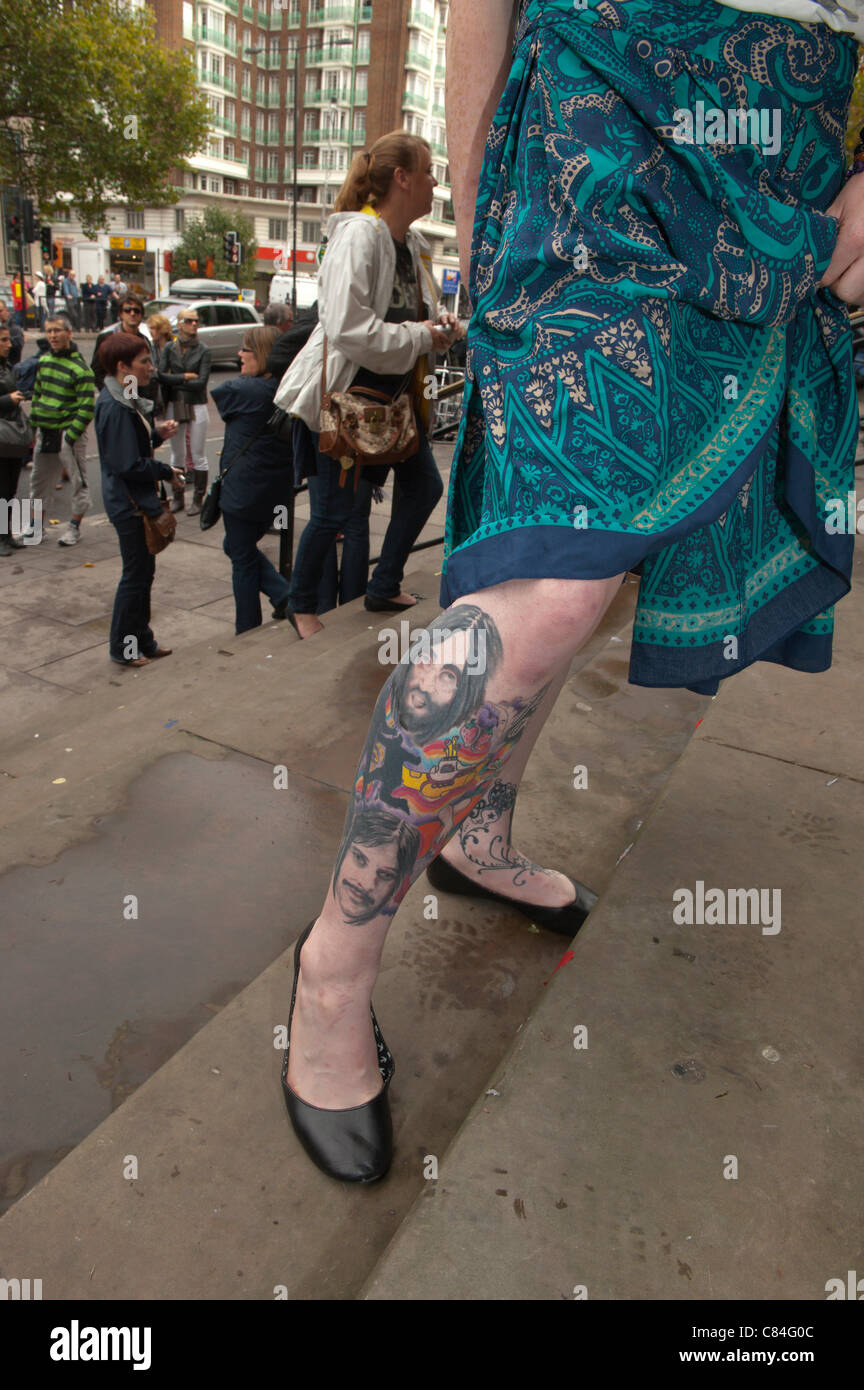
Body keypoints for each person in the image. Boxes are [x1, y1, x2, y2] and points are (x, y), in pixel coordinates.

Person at [278, 0, 864, 1186]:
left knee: (592, 574)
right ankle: (333, 965)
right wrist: (484, 159)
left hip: (791, 139)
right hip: (601, 114)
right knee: (552, 579)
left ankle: (478, 832)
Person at [274, 132, 458, 638]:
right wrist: (422, 335)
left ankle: (383, 584)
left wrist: (437, 328)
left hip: (389, 406)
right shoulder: (360, 235)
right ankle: (301, 603)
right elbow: (348, 328)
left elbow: (406, 321)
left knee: (424, 486)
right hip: (344, 402)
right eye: (425, 171)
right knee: (332, 512)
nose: (434, 182)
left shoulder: (412, 245)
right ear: (401, 178)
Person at [94, 332, 182, 667]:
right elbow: (127, 464)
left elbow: (133, 447)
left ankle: (143, 641)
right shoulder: (115, 406)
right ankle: (124, 647)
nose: (151, 368)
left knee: (143, 575)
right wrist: (166, 471)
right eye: (144, 361)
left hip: (133, 501)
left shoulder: (125, 397)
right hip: (128, 504)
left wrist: (156, 435)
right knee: (135, 577)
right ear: (122, 366)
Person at [210, 324, 294, 633]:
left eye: (245, 349)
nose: (239, 355)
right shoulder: (286, 390)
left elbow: (219, 394)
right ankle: (284, 596)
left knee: (242, 558)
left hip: (243, 491)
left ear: (261, 354)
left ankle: (250, 626)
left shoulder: (242, 389)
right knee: (237, 547)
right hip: (275, 492)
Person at [24, 314, 93, 546]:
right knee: (38, 482)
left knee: (77, 481)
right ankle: (36, 528)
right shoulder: (43, 362)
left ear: (69, 333)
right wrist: (33, 428)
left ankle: (74, 528)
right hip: (46, 432)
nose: (52, 335)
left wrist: (70, 437)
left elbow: (86, 408)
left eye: (57, 331)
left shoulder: (81, 369)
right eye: (49, 331)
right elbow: (38, 395)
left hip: (67, 434)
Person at [157, 309, 212, 515]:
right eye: (189, 321)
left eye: (197, 321)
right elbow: (161, 376)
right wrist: (185, 377)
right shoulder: (170, 348)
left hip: (196, 404)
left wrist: (176, 380)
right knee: (177, 452)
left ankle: (198, 498)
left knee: (198, 453)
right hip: (175, 404)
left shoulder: (204, 350)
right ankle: (178, 496)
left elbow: (201, 383)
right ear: (179, 324)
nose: (194, 324)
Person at [0, 325, 31, 556]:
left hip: (11, 432)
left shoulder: (7, 365)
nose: (9, 344)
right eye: (3, 340)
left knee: (10, 488)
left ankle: (7, 534)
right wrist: (7, 400)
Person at [91, 293, 155, 394]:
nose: (132, 313)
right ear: (121, 314)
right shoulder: (107, 338)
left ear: (141, 314)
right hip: (116, 397)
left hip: (140, 399)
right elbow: (97, 371)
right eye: (127, 310)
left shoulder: (144, 340)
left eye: (136, 310)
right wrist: (111, 392)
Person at [0, 300, 24, 366]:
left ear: (7, 311)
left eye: (0, 311)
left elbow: (18, 346)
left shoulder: (15, 329)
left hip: (10, 368)